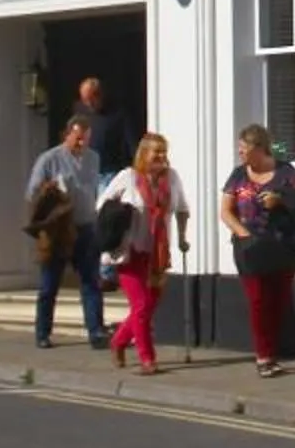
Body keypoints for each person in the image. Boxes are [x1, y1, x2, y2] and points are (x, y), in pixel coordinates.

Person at [221, 123, 295, 378]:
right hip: (250, 248)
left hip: (282, 246)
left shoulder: (286, 172)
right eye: (239, 149)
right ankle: (263, 356)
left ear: (260, 148)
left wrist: (281, 200)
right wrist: (243, 234)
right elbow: (225, 211)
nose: (240, 153)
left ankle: (272, 352)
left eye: (244, 149)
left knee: (278, 300)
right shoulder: (238, 175)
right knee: (257, 300)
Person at [101, 132, 191, 376]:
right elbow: (102, 206)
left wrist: (182, 237)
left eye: (164, 152)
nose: (162, 157)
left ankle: (118, 341)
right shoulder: (127, 178)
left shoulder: (171, 178)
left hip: (157, 255)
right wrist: (119, 215)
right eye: (157, 152)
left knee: (148, 307)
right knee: (141, 305)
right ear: (144, 154)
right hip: (130, 253)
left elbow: (182, 209)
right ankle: (147, 359)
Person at [22, 115, 108, 350]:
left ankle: (96, 331)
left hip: (86, 225)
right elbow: (32, 192)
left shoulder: (93, 158)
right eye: (78, 139)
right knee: (50, 284)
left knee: (91, 281)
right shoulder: (49, 159)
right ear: (67, 134)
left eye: (86, 139)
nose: (82, 144)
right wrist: (50, 192)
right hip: (59, 228)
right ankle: (43, 332)